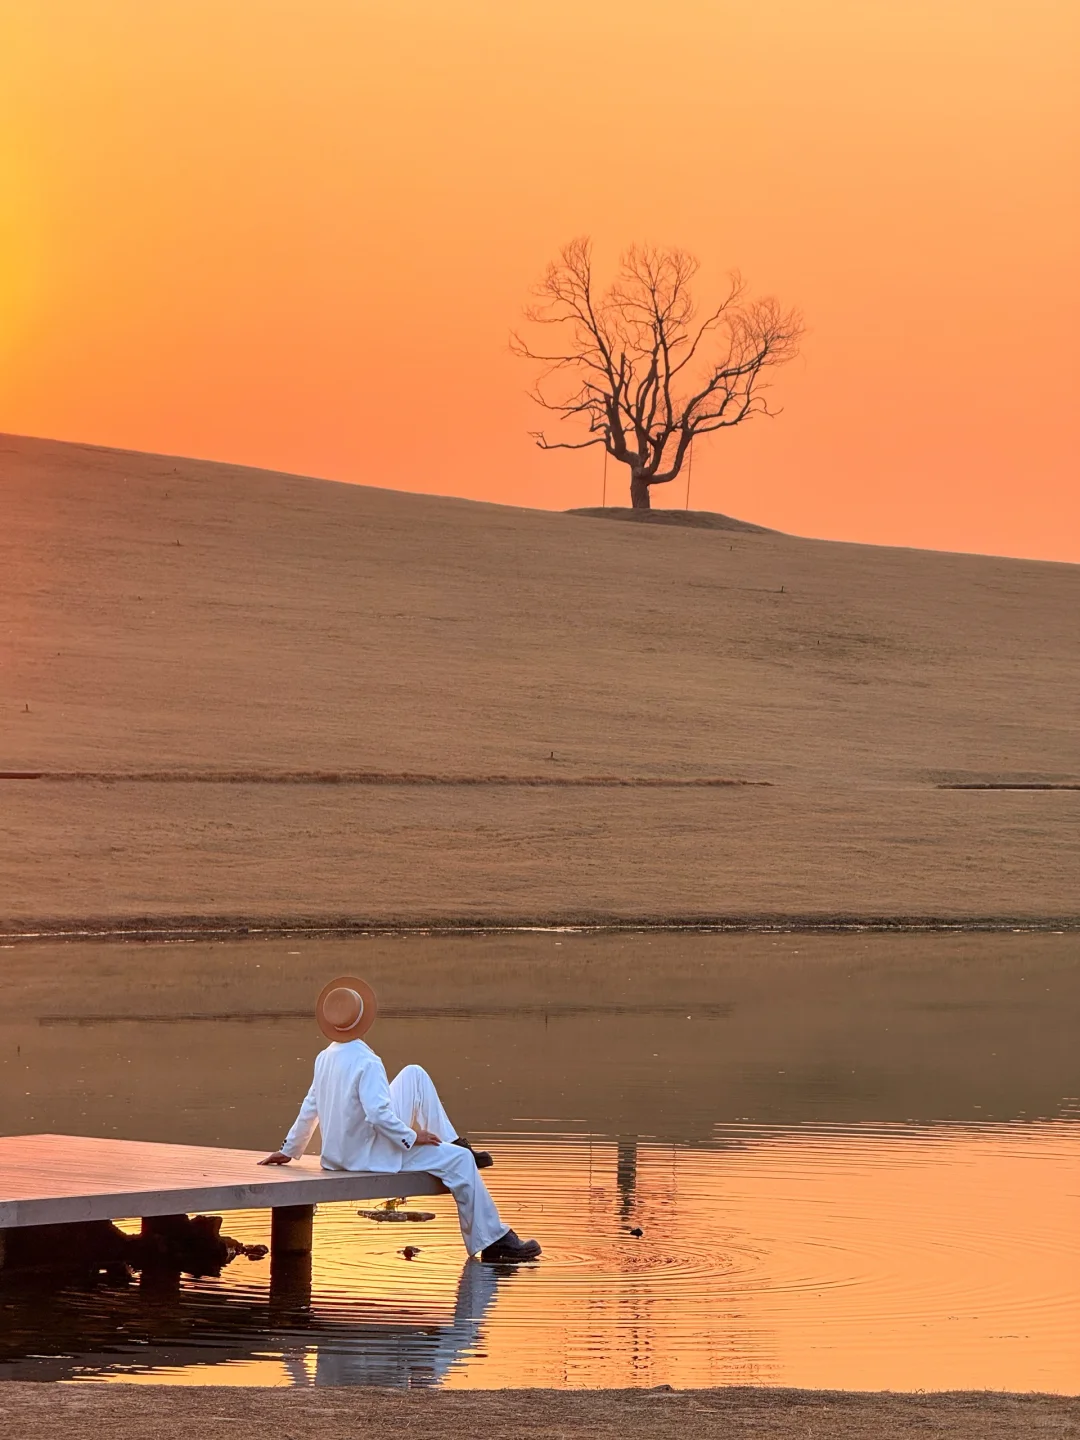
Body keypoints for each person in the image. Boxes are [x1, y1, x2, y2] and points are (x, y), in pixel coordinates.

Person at [259, 976, 541, 1263]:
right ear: (363, 1020)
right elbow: (378, 1115)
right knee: (461, 1162)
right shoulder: (367, 1062)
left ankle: (456, 1142)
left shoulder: (324, 1057)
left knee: (414, 1074)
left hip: (338, 1155)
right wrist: (412, 1136)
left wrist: (289, 1150)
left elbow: (311, 1106)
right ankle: (495, 1243)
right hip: (368, 1157)